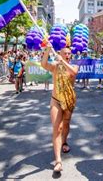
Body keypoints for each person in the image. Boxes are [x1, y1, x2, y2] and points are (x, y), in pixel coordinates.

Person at [41, 43, 79, 174]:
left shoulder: (73, 66)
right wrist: (47, 50)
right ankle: (58, 161)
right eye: (64, 53)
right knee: (57, 128)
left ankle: (64, 142)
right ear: (60, 54)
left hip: (69, 101)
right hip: (56, 100)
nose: (67, 55)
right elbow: (44, 65)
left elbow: (73, 72)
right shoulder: (56, 67)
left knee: (66, 124)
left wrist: (63, 61)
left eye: (69, 54)